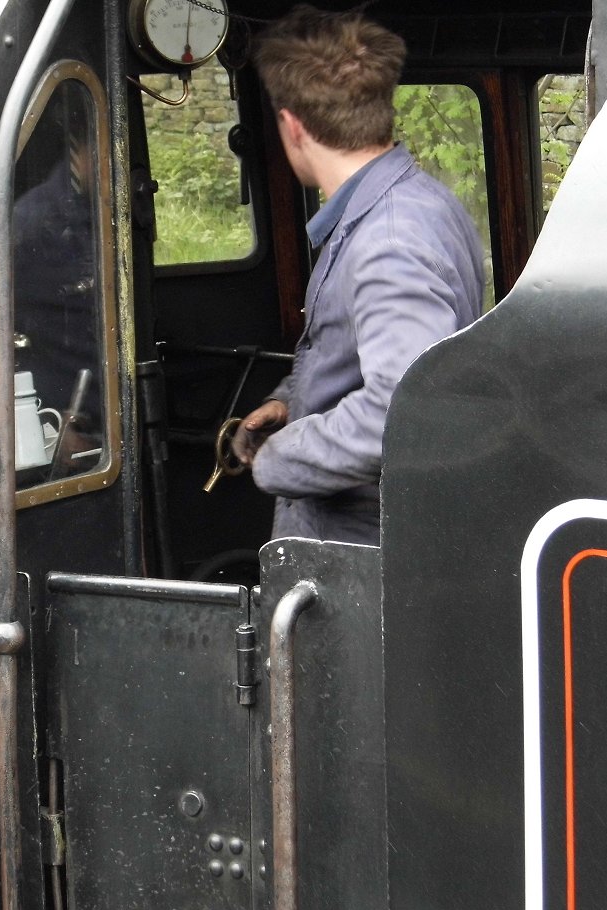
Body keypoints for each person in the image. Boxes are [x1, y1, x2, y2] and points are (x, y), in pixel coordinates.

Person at [232, 5, 484, 546]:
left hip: (364, 549)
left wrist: (279, 457)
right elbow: (363, 361)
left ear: (292, 126)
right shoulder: (418, 203)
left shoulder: (388, 239)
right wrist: (292, 403)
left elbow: (401, 410)